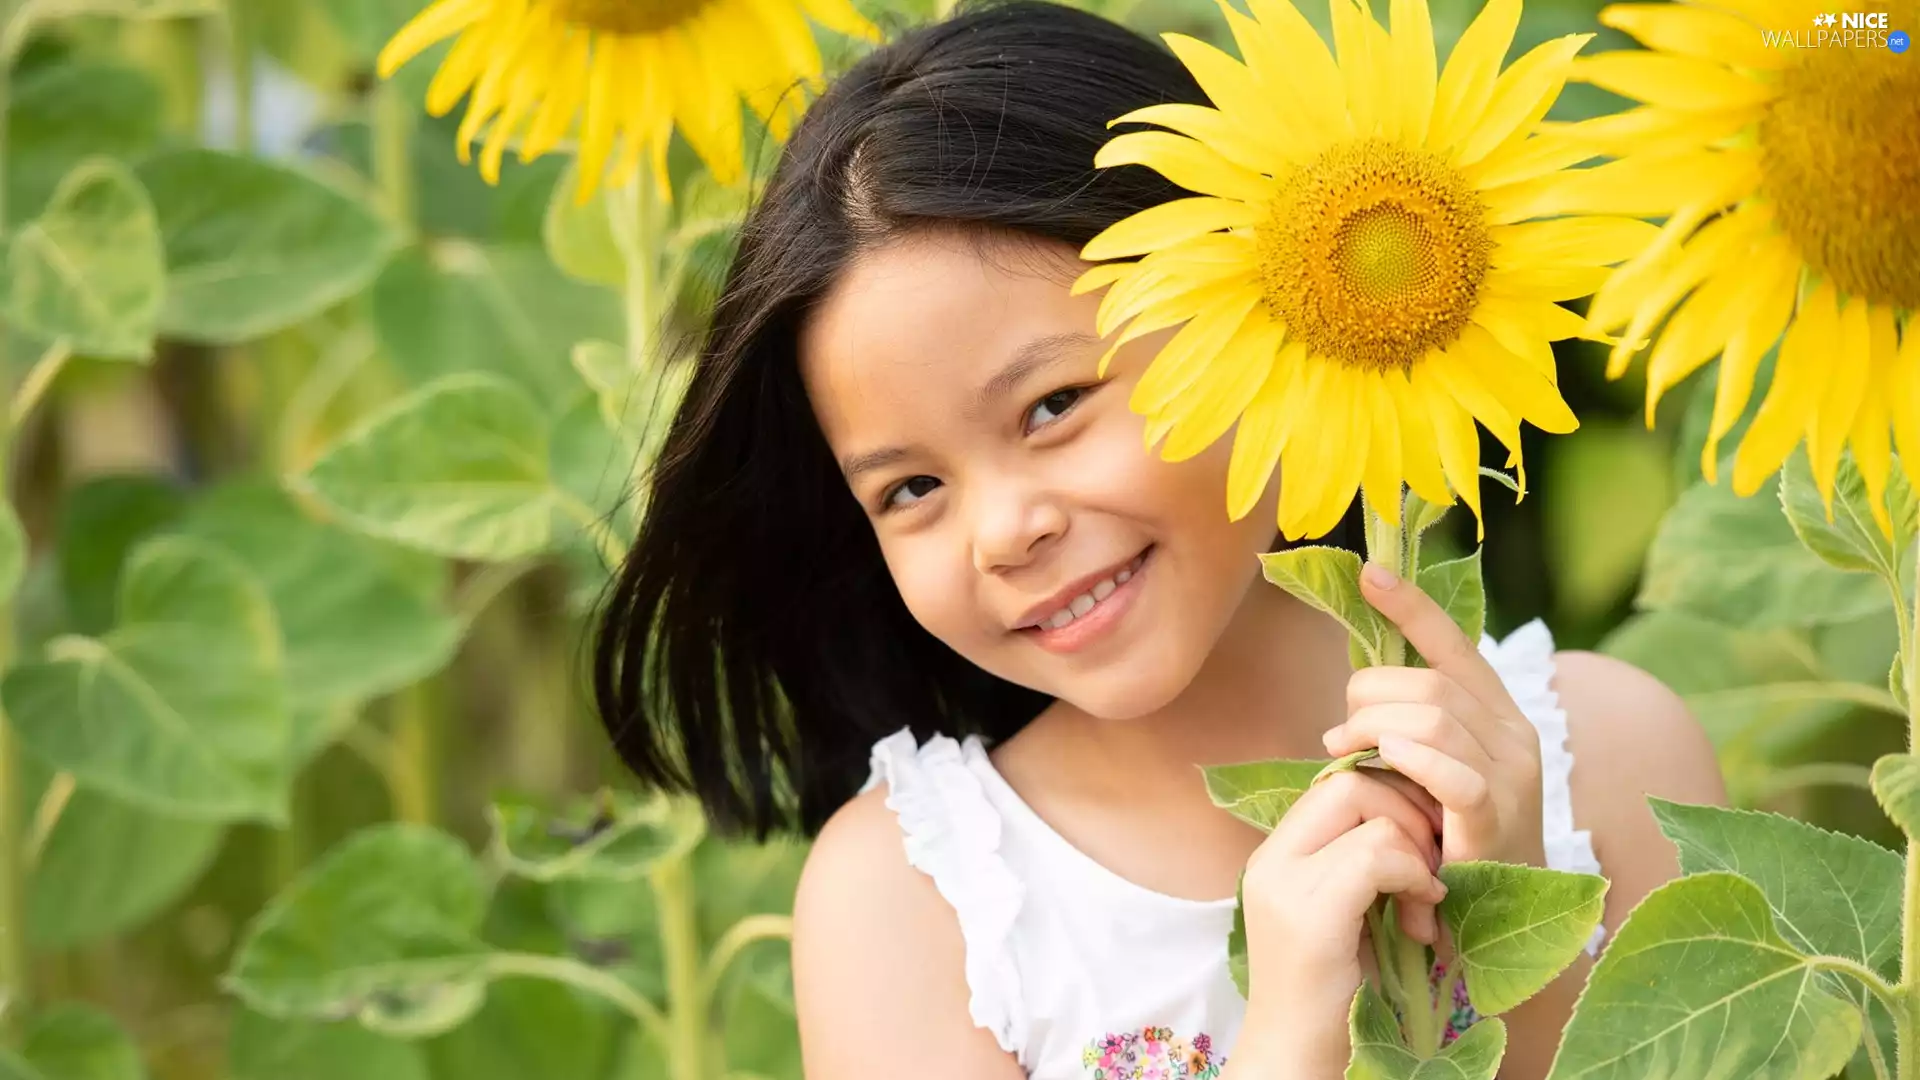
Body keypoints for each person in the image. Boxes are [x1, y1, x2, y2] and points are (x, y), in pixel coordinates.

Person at [590, 2, 1728, 1077]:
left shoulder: (1612, 753)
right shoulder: (911, 904)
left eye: (1052, 407)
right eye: (912, 489)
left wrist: (1507, 917)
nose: (1005, 531)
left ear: (1256, 312)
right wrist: (1288, 1042)